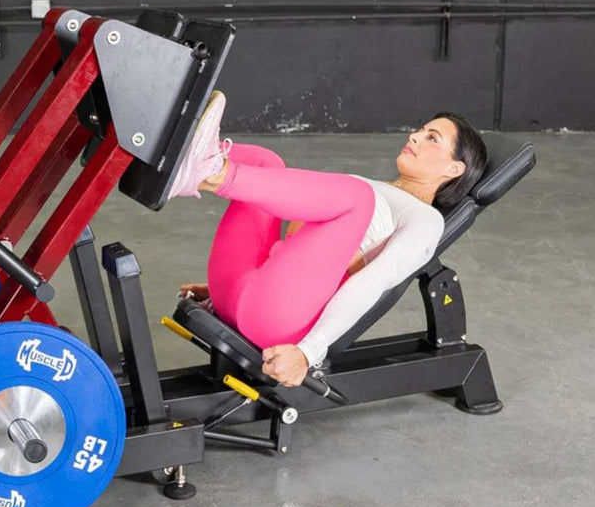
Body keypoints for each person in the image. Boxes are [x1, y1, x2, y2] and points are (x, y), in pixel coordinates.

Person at [170, 91, 488, 389]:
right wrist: (224, 288)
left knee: (358, 197)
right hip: (239, 289)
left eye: (432, 138)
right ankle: (172, 155)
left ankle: (212, 170)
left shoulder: (424, 219)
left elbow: (372, 284)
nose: (415, 136)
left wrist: (308, 353)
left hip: (275, 319)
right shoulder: (373, 187)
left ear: (454, 168)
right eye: (420, 130)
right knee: (267, 162)